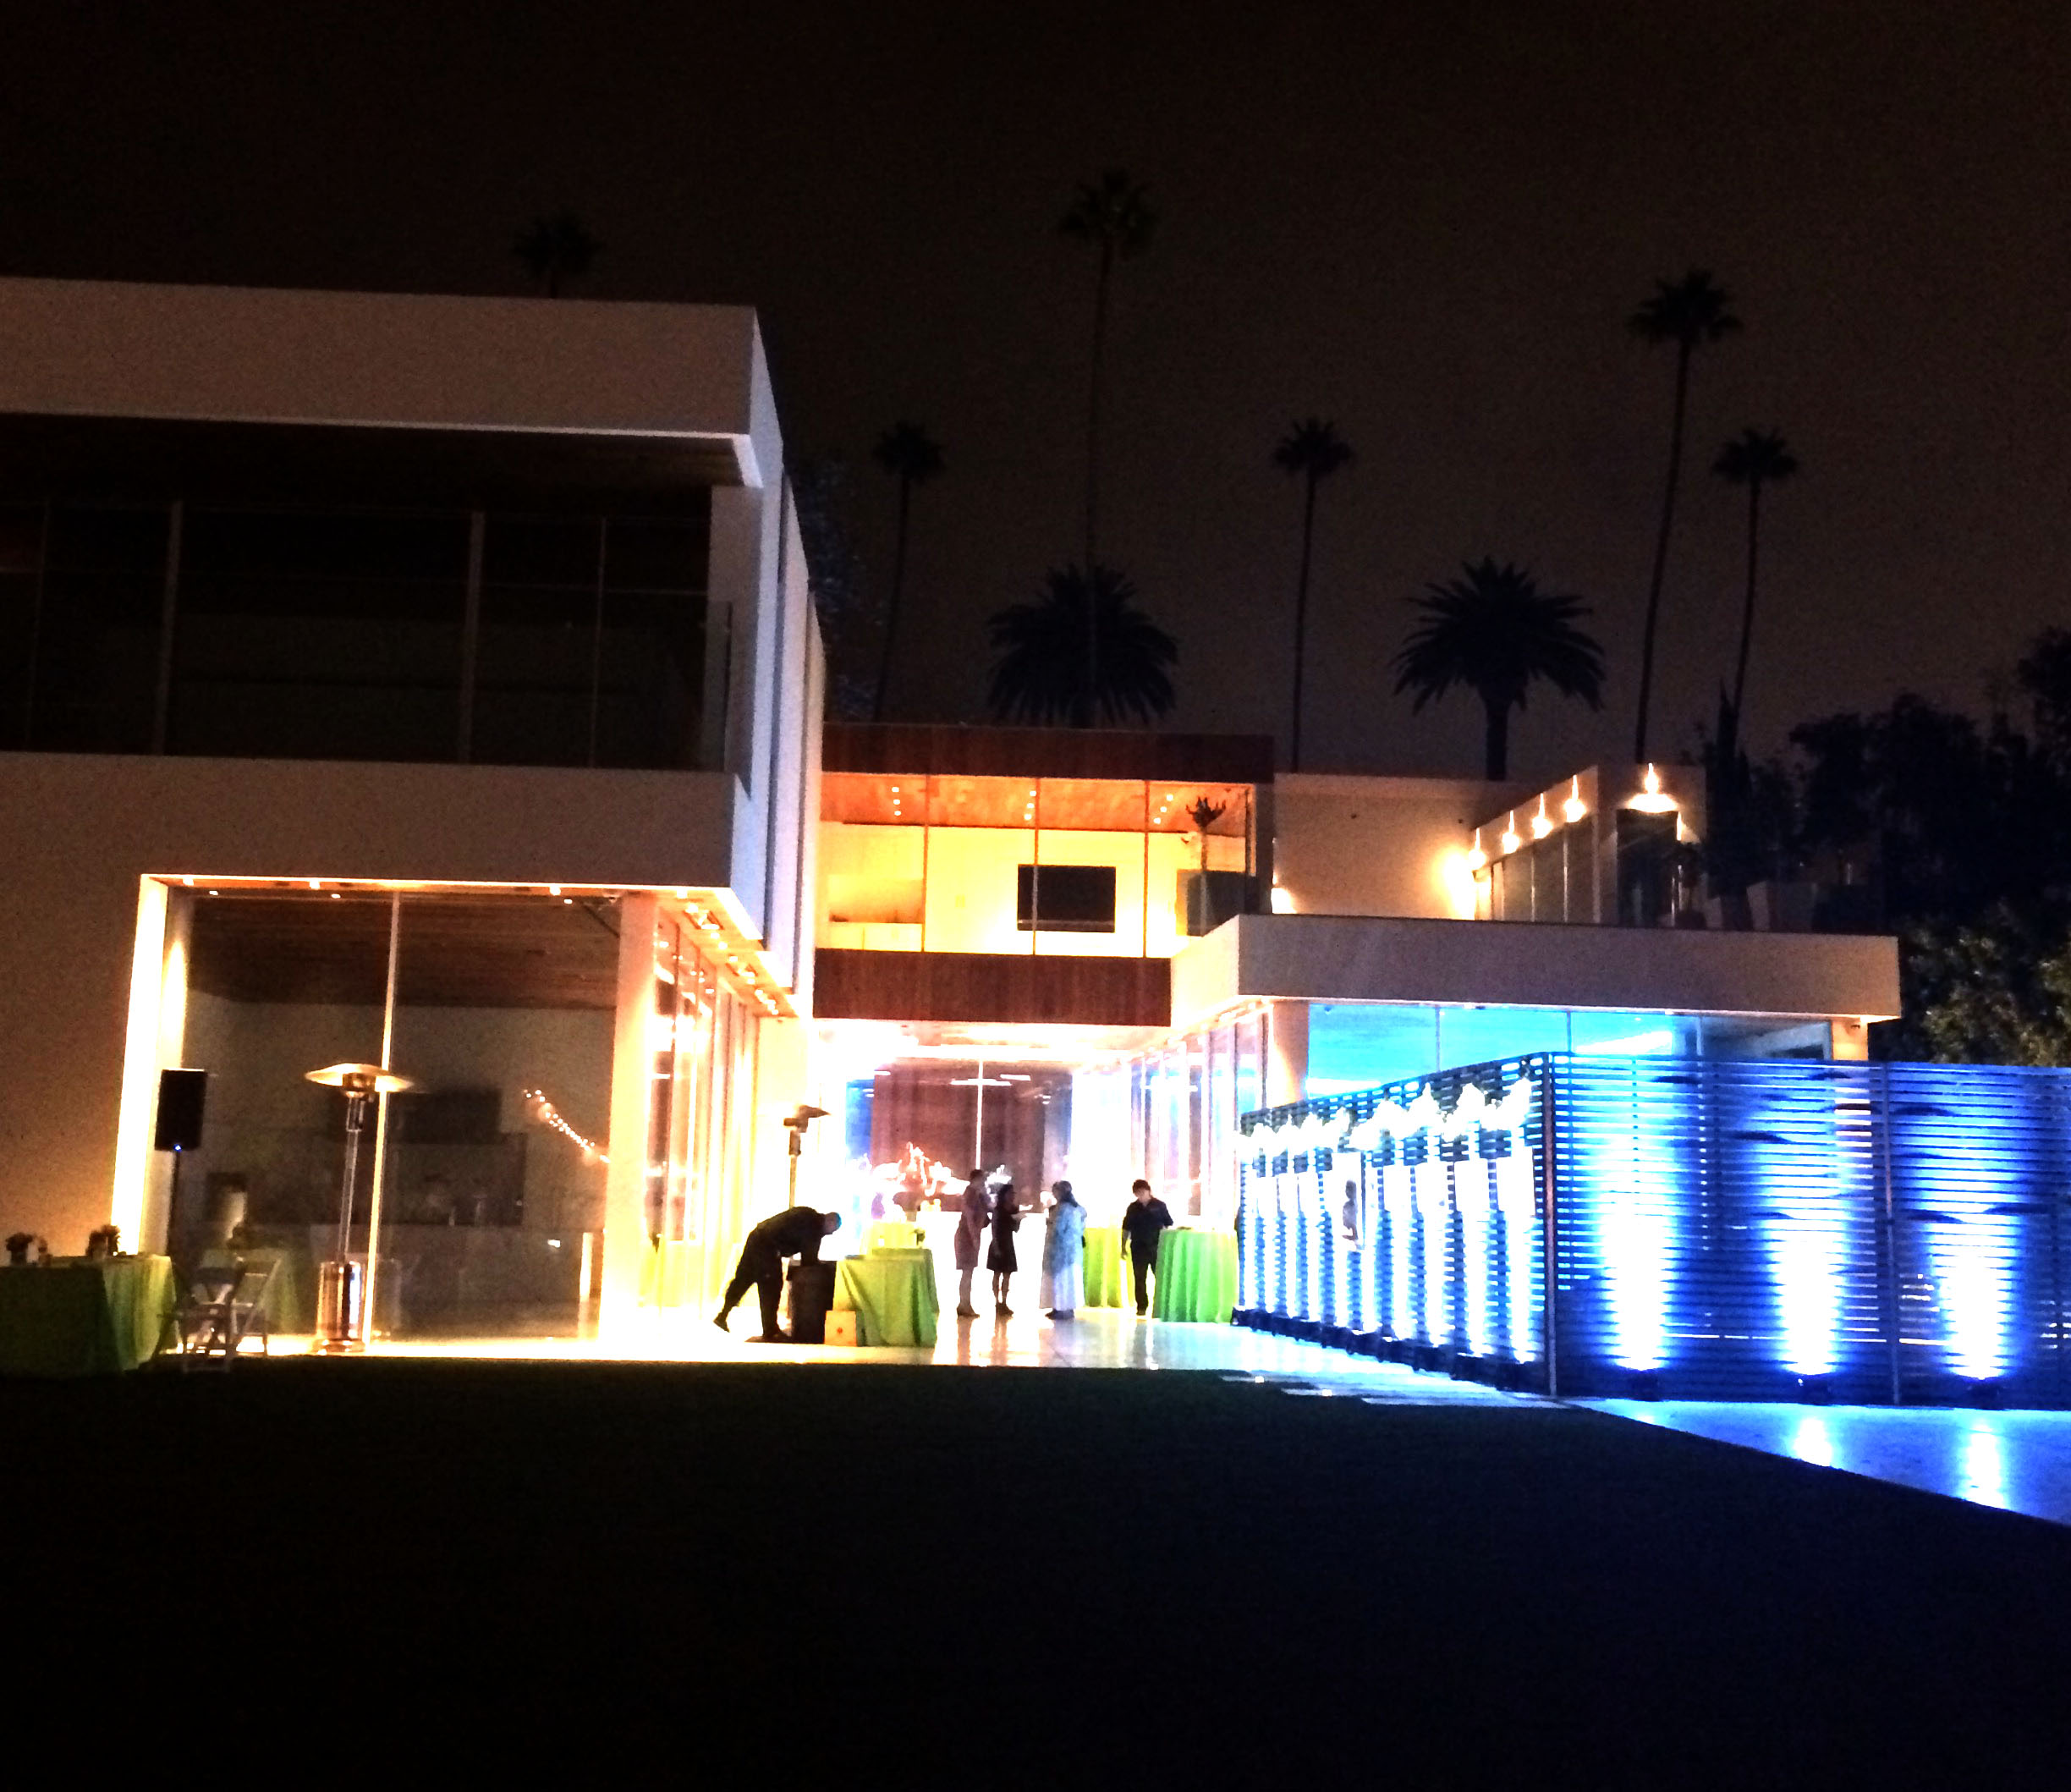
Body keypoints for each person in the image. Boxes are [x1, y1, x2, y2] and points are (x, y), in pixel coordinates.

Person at [714, 1207, 840, 1342]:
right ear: (830, 1221)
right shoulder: (814, 1226)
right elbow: (809, 1260)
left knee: (743, 1279)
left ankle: (722, 1315)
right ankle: (770, 1331)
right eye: (833, 1230)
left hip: (756, 1237)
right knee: (771, 1286)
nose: (831, 1234)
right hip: (767, 1246)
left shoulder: (809, 1216)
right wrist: (824, 1267)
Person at [1120, 1178, 1173, 1317]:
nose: (1140, 1196)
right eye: (1137, 1193)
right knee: (1139, 1278)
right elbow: (1126, 1228)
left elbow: (1168, 1224)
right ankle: (1142, 1306)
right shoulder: (1133, 1208)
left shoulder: (1159, 1206)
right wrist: (1123, 1246)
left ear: (1148, 1191)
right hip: (1138, 1246)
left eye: (1142, 1192)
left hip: (1156, 1246)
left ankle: (1161, 1305)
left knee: (1160, 1277)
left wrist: (1165, 1242)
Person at [1042, 1180, 1085, 1321]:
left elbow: (1058, 1229)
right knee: (1070, 1279)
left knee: (1060, 1279)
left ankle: (1060, 1308)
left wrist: (1049, 1223)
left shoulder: (1062, 1209)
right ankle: (1068, 1308)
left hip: (1060, 1250)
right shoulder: (1078, 1209)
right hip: (1073, 1250)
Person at [953, 1168, 991, 1318]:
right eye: (982, 1179)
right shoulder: (970, 1194)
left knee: (969, 1272)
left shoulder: (978, 1195)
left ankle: (965, 1304)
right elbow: (969, 1216)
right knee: (967, 1272)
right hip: (966, 1236)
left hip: (971, 1235)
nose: (984, 1182)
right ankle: (964, 1304)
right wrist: (974, 1236)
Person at [987, 1180, 1019, 1316]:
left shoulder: (1014, 1209)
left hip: (1008, 1243)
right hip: (999, 1242)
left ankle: (1004, 1302)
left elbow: (1015, 1229)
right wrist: (996, 1245)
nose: (1012, 1195)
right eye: (1010, 1193)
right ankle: (997, 1302)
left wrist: (1018, 1220)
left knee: (1007, 1275)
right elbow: (994, 1228)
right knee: (997, 1274)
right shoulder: (998, 1210)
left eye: (1013, 1193)